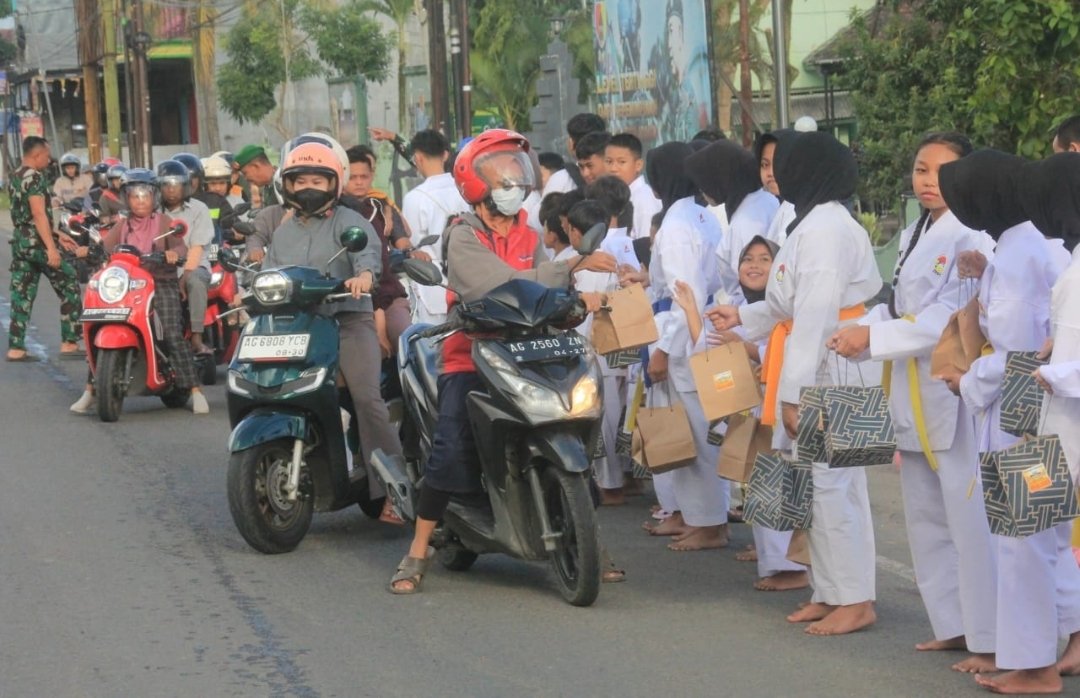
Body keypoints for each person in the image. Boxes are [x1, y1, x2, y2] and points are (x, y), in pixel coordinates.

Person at [388, 129, 616, 594]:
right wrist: (569, 267)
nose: (513, 184)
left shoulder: (529, 235)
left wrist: (574, 301)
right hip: (469, 352)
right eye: (503, 176)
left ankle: (590, 536)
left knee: (572, 421)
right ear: (475, 183)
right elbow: (501, 284)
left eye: (517, 174)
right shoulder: (462, 235)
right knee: (450, 449)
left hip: (525, 349)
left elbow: (540, 294)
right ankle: (416, 550)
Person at [831, 133, 998, 670]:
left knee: (968, 520)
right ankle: (952, 624)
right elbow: (898, 305)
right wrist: (859, 329)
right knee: (925, 516)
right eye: (921, 169)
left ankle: (992, 637)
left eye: (941, 172)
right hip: (909, 387)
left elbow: (951, 315)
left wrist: (874, 339)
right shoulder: (911, 232)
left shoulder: (976, 236)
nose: (927, 181)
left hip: (952, 388)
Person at [709, 132, 882, 635]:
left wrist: (794, 395)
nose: (773, 174)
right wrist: (740, 314)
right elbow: (788, 304)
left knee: (833, 486)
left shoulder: (827, 228)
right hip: (820, 360)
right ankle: (832, 591)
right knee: (821, 486)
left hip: (835, 365)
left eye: (783, 165)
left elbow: (815, 317)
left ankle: (855, 599)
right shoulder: (808, 221)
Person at [939, 150, 1079, 694]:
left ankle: (1036, 667)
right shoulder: (1023, 249)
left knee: (1025, 537)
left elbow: (1021, 350)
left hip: (1034, 415)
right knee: (1040, 535)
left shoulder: (1023, 253)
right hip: (1042, 411)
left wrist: (971, 379)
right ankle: (1061, 641)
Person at [262, 142, 402, 521]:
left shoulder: (349, 222)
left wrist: (364, 276)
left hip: (347, 322)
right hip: (297, 326)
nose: (309, 187)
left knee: (366, 399)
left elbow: (367, 256)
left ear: (334, 184)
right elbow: (268, 273)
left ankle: (394, 488)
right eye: (300, 179)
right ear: (287, 186)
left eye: (318, 180)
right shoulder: (283, 232)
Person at [638, 141, 728, 551]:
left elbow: (682, 293)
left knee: (695, 428)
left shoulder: (675, 227)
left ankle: (710, 523)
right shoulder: (701, 215)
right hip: (699, 325)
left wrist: (663, 349)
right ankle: (700, 517)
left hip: (685, 331)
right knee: (698, 427)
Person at [1026, 153, 1080, 693]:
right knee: (1049, 535)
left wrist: (1058, 373)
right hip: (1061, 426)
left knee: (1038, 536)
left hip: (1069, 423)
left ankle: (1038, 665)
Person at [94, 168, 208, 413]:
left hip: (160, 283)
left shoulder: (164, 223)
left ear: (154, 197)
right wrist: (89, 250)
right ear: (126, 198)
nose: (141, 201)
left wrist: (172, 254)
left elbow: (180, 248)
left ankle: (195, 390)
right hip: (129, 285)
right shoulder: (123, 225)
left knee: (172, 333)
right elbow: (104, 246)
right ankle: (91, 389)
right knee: (102, 320)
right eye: (135, 196)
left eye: (145, 195)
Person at [6, 136, 84, 362]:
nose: (49, 161)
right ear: (37, 155)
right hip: (37, 243)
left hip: (21, 242)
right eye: (47, 156)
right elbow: (39, 213)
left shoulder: (15, 176)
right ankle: (69, 342)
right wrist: (52, 248)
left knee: (21, 294)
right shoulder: (36, 178)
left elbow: (28, 217)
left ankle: (16, 348)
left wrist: (59, 234)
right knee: (69, 282)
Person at [685, 139, 780, 303]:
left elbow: (750, 285)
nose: (701, 189)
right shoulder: (765, 199)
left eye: (704, 181)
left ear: (721, 177)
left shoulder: (744, 224)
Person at [342, 144, 412, 358]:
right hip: (344, 299)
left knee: (406, 338)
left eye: (364, 176)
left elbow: (403, 243)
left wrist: (412, 253)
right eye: (353, 177)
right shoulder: (332, 213)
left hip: (386, 293)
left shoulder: (382, 208)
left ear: (372, 176)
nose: (359, 182)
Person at [399, 129, 470, 324]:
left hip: (434, 286)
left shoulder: (415, 198)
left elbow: (413, 246)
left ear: (418, 158)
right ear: (445, 154)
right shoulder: (465, 188)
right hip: (471, 280)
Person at [156, 159, 216, 357]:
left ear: (186, 187)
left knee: (196, 282)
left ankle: (197, 337)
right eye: (166, 185)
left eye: (176, 185)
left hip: (194, 264)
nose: (171, 190)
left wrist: (185, 275)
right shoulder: (153, 211)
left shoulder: (199, 209)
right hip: (160, 266)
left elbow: (198, 247)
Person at [605, 133, 662, 241]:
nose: (613, 169)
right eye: (609, 162)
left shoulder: (644, 200)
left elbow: (646, 245)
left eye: (621, 162)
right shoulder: (615, 196)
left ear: (638, 165)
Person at [543, 112, 606, 197]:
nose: (585, 174)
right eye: (582, 167)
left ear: (571, 143)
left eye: (590, 165)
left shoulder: (560, 179)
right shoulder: (621, 177)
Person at [200, 155, 238, 244]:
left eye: (222, 183)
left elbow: (234, 223)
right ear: (205, 185)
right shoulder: (198, 203)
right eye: (213, 184)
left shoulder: (234, 200)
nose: (218, 188)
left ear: (228, 184)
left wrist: (238, 231)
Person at [539, 192, 575, 262]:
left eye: (545, 229)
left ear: (552, 236)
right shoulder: (572, 255)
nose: (543, 233)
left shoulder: (562, 262)